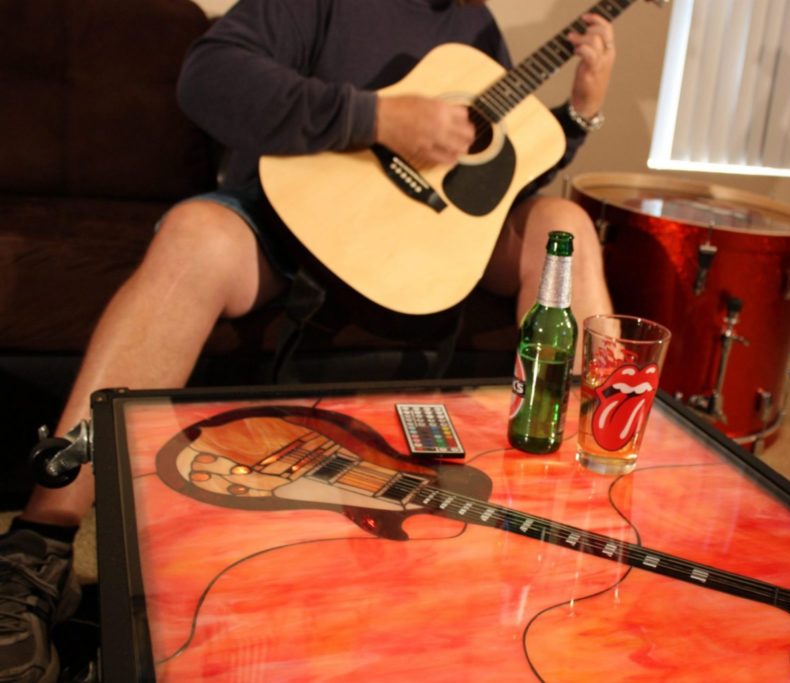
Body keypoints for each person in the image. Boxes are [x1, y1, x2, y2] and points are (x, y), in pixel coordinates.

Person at [0, 0, 615, 680]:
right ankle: (42, 541)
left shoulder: (475, 25)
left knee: (565, 225)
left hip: (421, 242)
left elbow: (494, 177)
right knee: (194, 236)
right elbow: (208, 77)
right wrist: (377, 118)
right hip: (287, 218)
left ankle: (580, 503)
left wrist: (578, 117)